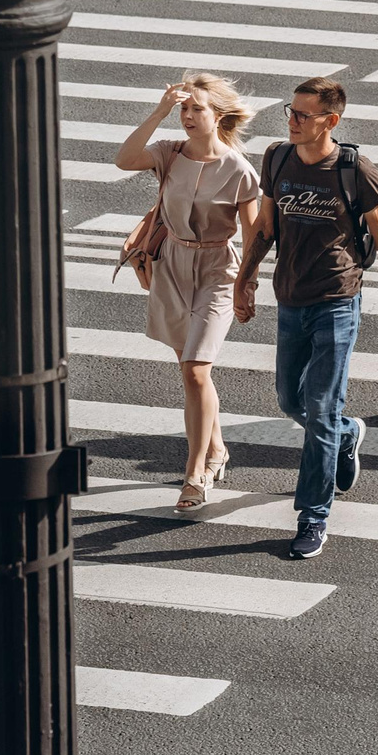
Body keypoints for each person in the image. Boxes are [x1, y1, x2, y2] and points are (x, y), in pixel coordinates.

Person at [232, 76, 378, 561]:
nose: (292, 121)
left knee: (318, 409)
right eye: (290, 113)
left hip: (338, 299)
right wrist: (245, 279)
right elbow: (266, 227)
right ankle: (347, 433)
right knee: (289, 400)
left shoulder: (356, 170)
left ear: (330, 121)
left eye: (303, 115)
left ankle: (313, 517)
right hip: (290, 297)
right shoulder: (277, 158)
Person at [114, 75, 265, 511]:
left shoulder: (239, 170)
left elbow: (255, 234)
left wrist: (247, 285)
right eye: (184, 109)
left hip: (218, 270)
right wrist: (159, 110)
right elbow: (123, 159)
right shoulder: (169, 153)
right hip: (171, 266)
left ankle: (195, 475)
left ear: (218, 115)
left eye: (196, 109)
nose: (187, 117)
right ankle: (217, 449)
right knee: (191, 370)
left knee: (197, 369)